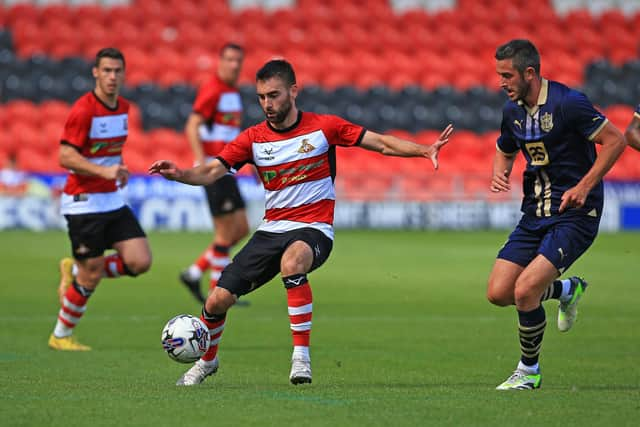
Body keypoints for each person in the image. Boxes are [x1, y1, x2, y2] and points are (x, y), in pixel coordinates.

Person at [150, 59, 453, 386]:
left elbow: (380, 142)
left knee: (293, 262)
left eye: (274, 95)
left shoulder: (325, 127)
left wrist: (424, 150)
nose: (267, 104)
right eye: (262, 97)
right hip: (270, 230)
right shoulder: (253, 139)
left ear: (293, 91)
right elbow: (212, 170)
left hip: (314, 229)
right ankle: (207, 362)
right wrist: (180, 174)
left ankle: (301, 359)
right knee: (216, 300)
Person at [487, 39, 626, 390]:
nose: (501, 82)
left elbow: (616, 140)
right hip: (534, 212)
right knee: (499, 292)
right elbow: (505, 149)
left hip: (576, 213)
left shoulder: (568, 103)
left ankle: (528, 372)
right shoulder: (512, 111)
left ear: (529, 73)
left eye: (507, 75)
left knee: (525, 291)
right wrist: (499, 171)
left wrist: (584, 186)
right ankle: (566, 289)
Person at [49, 48, 152, 351]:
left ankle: (78, 269)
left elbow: (108, 150)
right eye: (106, 70)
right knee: (92, 275)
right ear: (95, 72)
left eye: (117, 71)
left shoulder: (123, 108)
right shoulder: (83, 109)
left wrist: (117, 172)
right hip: (83, 202)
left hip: (112, 199)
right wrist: (103, 171)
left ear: (124, 73)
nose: (112, 76)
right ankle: (61, 334)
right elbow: (64, 155)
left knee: (140, 260)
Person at [178, 43, 250, 304]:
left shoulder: (232, 91)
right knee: (224, 233)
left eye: (237, 60)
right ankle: (217, 292)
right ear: (220, 61)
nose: (234, 65)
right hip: (215, 170)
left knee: (240, 228)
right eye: (229, 59)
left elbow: (229, 134)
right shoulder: (213, 89)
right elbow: (192, 124)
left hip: (228, 169)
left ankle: (195, 272)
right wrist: (201, 161)